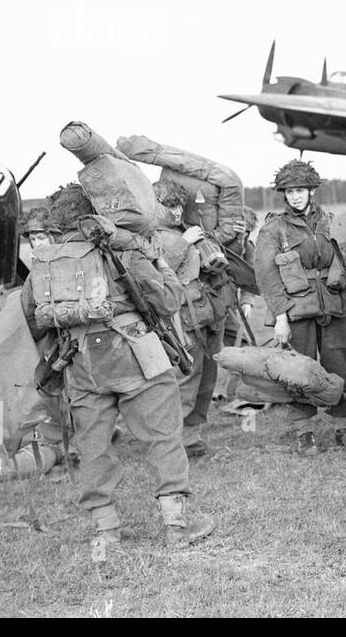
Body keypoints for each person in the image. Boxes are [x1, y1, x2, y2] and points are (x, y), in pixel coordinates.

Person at [22, 184, 214, 547]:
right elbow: (170, 301)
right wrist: (158, 262)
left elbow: (34, 317)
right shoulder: (123, 251)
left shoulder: (44, 263)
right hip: (135, 356)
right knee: (163, 437)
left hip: (79, 363)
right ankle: (176, 526)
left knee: (92, 446)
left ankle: (106, 531)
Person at [254, 160, 346, 456]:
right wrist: (280, 317)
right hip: (296, 310)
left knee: (339, 364)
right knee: (299, 371)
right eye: (289, 191)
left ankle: (343, 426)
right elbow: (267, 277)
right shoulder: (274, 229)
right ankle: (305, 432)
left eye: (300, 190)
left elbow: (345, 262)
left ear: (311, 191)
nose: (295, 196)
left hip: (333, 307)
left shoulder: (328, 220)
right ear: (284, 195)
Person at [151, 181, 224, 458]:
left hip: (204, 313)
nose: (177, 211)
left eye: (179, 205)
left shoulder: (184, 230)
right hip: (180, 318)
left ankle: (191, 437)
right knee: (185, 380)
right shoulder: (150, 236)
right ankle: (172, 443)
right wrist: (185, 242)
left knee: (207, 379)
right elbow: (156, 271)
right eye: (170, 205)